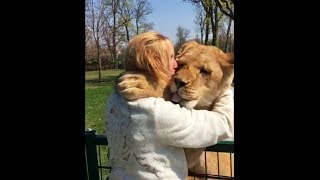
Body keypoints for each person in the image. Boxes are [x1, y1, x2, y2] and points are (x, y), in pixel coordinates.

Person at [105, 31, 233, 179]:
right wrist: (225, 87)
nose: (176, 65)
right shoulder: (157, 113)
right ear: (154, 63)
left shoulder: (114, 100)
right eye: (172, 58)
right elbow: (222, 123)